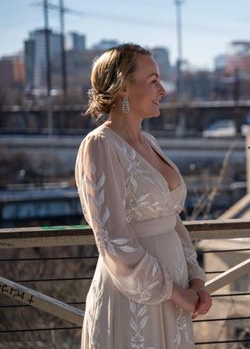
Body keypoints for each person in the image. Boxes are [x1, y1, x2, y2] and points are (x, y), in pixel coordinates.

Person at [75, 44, 212, 348]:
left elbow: (173, 220)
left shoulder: (149, 142)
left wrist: (196, 280)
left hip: (177, 295)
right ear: (123, 87)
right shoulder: (99, 145)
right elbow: (112, 238)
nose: (162, 90)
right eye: (153, 80)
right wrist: (177, 293)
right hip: (132, 298)